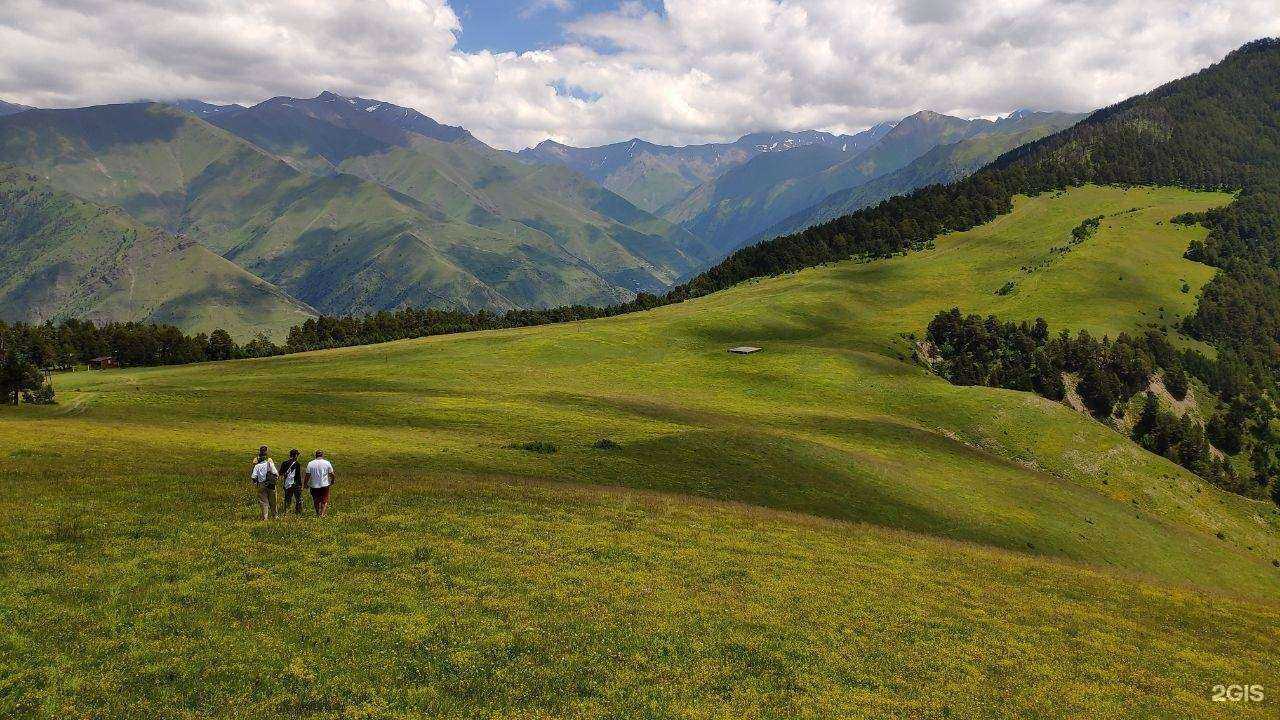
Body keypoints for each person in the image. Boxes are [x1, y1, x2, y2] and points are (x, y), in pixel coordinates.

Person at [250, 445, 279, 520]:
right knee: (273, 501)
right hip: (270, 484)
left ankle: (265, 517)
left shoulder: (257, 465)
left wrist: (256, 483)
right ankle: (275, 516)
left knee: (263, 502)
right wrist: (275, 479)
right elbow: (276, 473)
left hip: (261, 484)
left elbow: (253, 477)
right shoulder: (270, 463)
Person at [305, 449, 336, 516]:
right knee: (324, 500)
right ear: (322, 455)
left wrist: (305, 484)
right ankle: (322, 514)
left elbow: (307, 475)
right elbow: (332, 474)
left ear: (315, 455)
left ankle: (317, 513)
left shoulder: (310, 463)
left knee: (316, 500)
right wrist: (333, 480)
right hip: (324, 484)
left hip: (314, 485)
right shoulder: (327, 463)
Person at [279, 448, 304, 514]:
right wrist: (301, 485)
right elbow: (298, 475)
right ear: (295, 456)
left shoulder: (284, 463)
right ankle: (298, 512)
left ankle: (287, 511)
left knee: (287, 499)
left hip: (287, 484)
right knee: (298, 499)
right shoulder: (297, 464)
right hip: (296, 484)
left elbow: (280, 473)